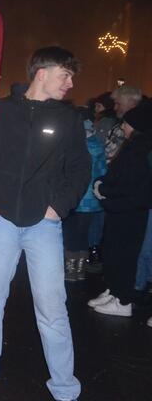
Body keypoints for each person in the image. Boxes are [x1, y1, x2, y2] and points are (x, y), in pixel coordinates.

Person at [0, 47, 89, 401]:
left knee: (52, 308)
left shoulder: (69, 119)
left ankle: (64, 386)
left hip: (44, 226)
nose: (70, 83)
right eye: (65, 75)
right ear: (42, 73)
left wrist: (57, 207)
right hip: (3, 221)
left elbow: (80, 168)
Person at [88, 100, 152, 317]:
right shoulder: (134, 147)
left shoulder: (138, 149)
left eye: (126, 123)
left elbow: (129, 184)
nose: (122, 126)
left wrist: (103, 190)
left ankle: (123, 299)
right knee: (115, 252)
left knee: (123, 255)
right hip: (125, 209)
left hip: (128, 211)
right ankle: (115, 291)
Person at [63, 108, 106, 282]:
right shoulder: (97, 143)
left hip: (73, 197)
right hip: (91, 201)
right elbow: (103, 171)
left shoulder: (74, 142)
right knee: (83, 236)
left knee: (70, 234)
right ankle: (80, 270)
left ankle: (70, 269)